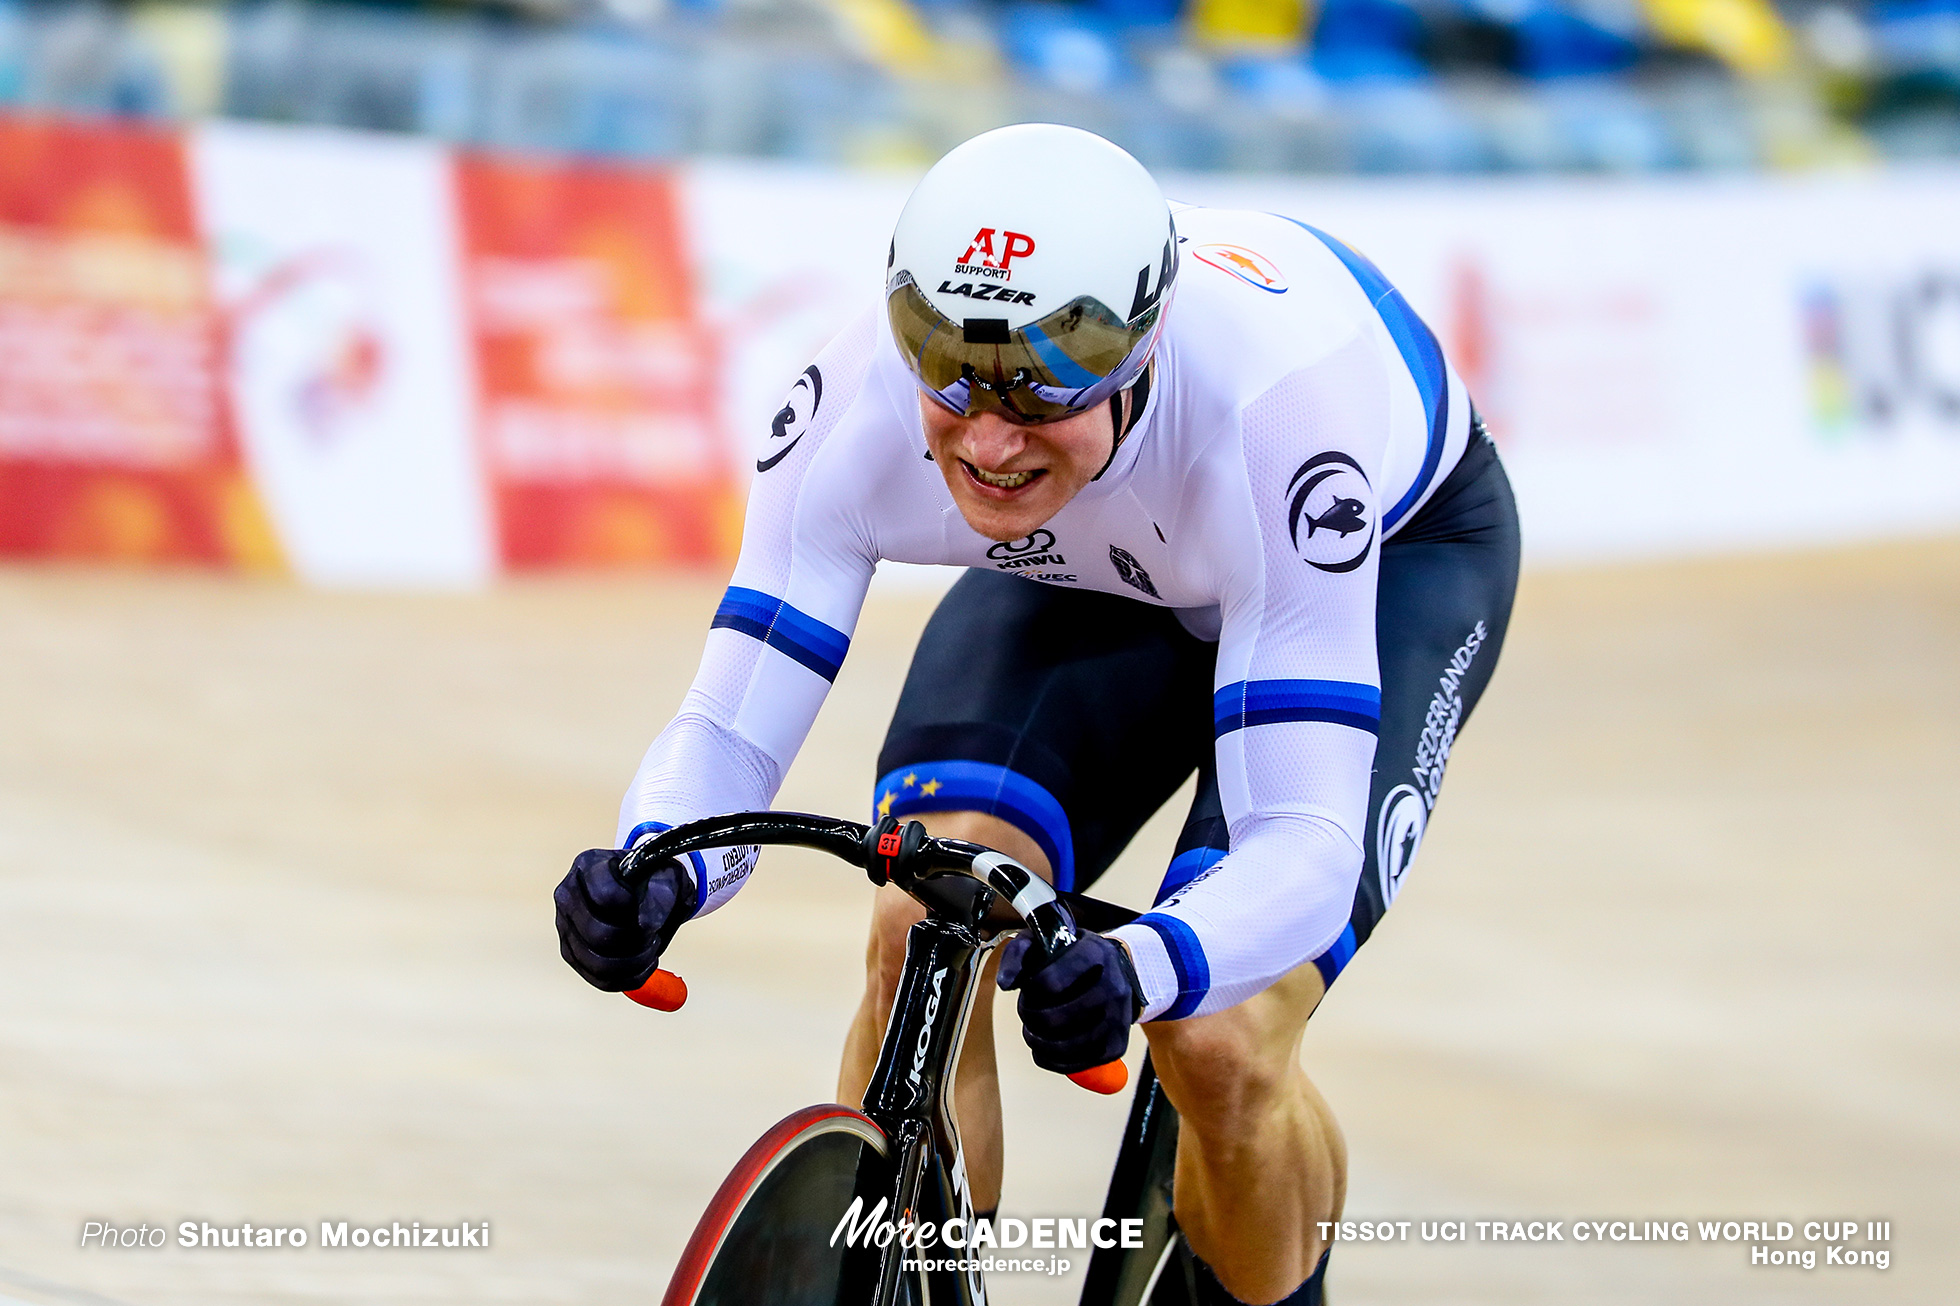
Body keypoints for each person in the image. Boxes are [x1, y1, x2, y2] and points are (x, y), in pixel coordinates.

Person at [555, 122, 1519, 1306]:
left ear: (1141, 353)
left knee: (1217, 1038)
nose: (991, 438)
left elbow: (1305, 850)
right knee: (927, 916)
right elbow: (731, 724)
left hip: (1383, 555)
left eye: (1041, 385)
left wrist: (1147, 965)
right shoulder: (858, 401)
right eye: (949, 372)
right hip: (1105, 555)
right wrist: (664, 865)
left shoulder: (1274, 430)